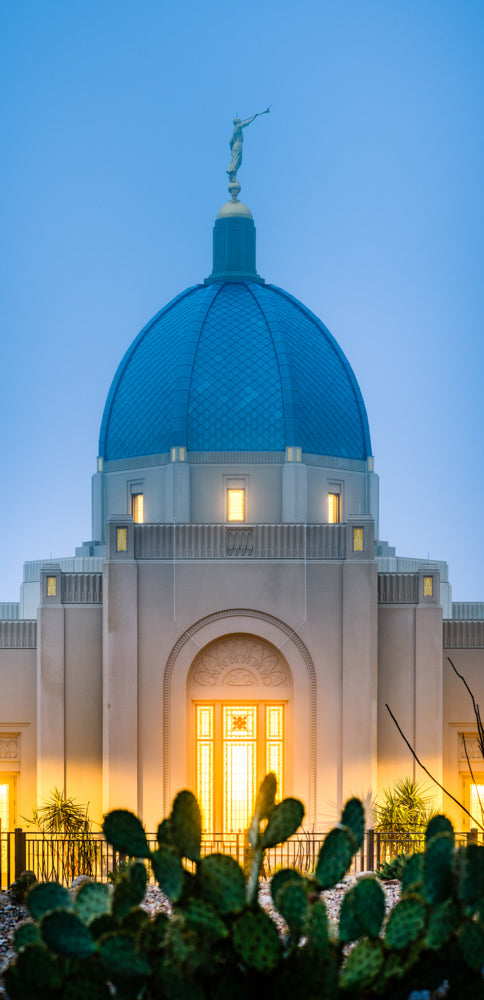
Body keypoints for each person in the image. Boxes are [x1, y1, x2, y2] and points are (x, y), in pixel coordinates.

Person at [227, 108, 270, 180]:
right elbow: (245, 123)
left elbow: (230, 142)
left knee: (237, 161)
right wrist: (253, 118)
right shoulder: (237, 127)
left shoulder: (234, 130)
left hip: (235, 146)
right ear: (237, 122)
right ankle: (231, 171)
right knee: (237, 160)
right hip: (238, 145)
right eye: (239, 120)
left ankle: (233, 175)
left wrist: (232, 150)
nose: (241, 121)